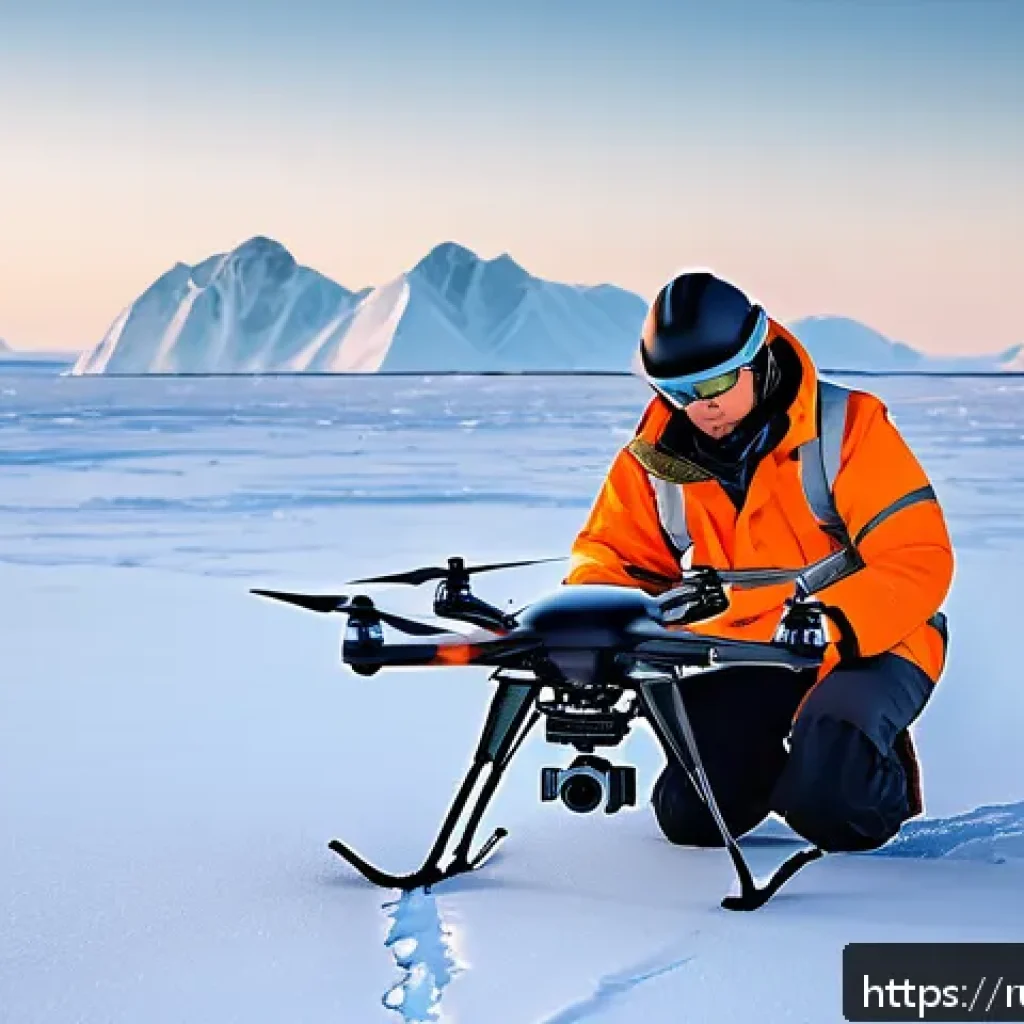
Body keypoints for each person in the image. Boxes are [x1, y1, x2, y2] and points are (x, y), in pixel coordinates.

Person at [564, 270, 955, 853]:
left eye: (716, 383)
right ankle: (786, 764)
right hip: (744, 647)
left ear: (758, 356)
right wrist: (594, 622)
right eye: (677, 390)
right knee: (692, 819)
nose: (702, 407)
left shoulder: (847, 428)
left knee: (837, 808)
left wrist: (832, 621)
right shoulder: (654, 456)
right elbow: (613, 558)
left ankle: (845, 765)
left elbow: (916, 556)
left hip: (873, 641)